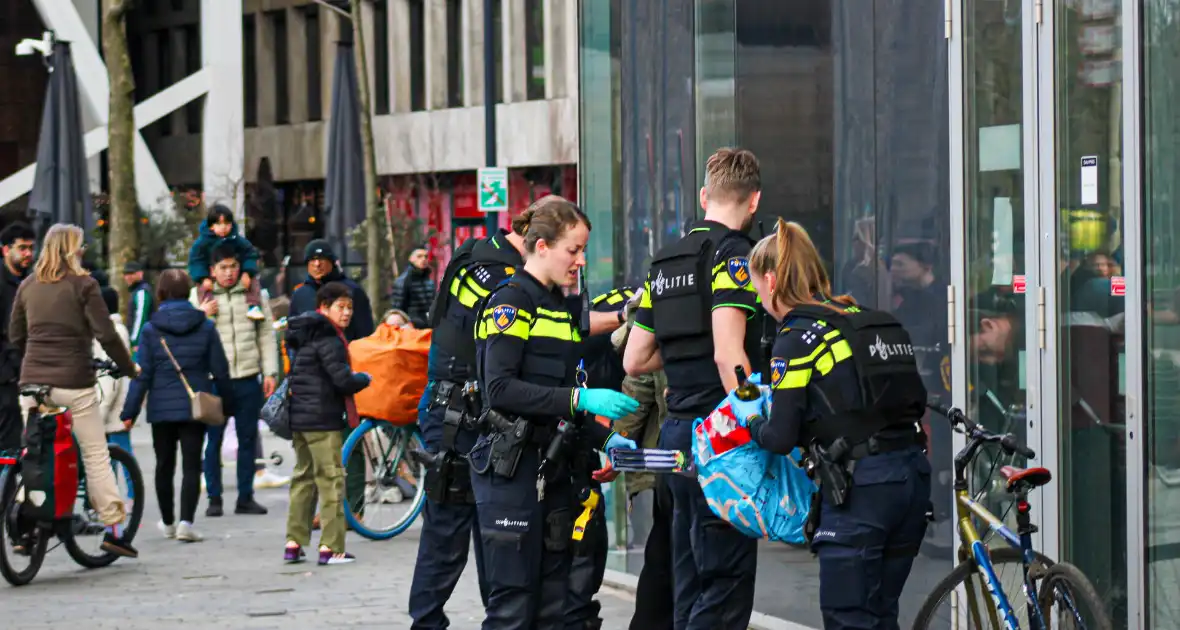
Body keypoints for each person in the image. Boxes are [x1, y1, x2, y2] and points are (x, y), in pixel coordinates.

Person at [743, 219, 931, 629]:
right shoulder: (857, 317)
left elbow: (779, 437)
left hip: (862, 490)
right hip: (911, 479)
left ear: (772, 281)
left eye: (758, 290)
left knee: (848, 617)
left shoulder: (796, 336)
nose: (760, 302)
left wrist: (751, 420)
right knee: (880, 614)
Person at [470, 195, 638, 630]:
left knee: (555, 607)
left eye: (583, 250)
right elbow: (500, 388)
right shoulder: (509, 303)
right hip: (511, 474)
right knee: (512, 609)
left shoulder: (560, 309)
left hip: (555, 470)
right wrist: (580, 401)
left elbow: (567, 393)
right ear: (541, 246)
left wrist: (605, 441)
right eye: (573, 249)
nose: (581, 260)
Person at [623, 147, 766, 629]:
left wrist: (688, 350)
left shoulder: (663, 261)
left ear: (704, 195)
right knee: (723, 583)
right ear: (753, 202)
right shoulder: (735, 256)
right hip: (719, 437)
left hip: (675, 439)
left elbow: (635, 358)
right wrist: (755, 421)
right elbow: (730, 355)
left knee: (686, 578)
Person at [408, 221, 527, 629]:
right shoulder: (497, 274)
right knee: (448, 532)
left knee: (488, 531)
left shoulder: (478, 254)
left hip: (463, 411)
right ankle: (426, 624)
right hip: (456, 415)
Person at [8, 223, 140, 557]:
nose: (83, 251)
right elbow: (106, 334)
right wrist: (127, 367)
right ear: (71, 249)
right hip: (74, 384)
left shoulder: (27, 286)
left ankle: (26, 525)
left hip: (32, 384)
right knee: (96, 454)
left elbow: (15, 335)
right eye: (80, 246)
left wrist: (34, 361)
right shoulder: (84, 285)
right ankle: (114, 529)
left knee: (34, 453)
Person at [120, 269, 236, 543]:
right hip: (195, 405)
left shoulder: (151, 328)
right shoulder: (205, 325)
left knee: (163, 465)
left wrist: (129, 412)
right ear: (188, 293)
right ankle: (186, 522)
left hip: (161, 407)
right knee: (192, 465)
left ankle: (168, 522)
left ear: (160, 294)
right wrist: (228, 405)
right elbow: (220, 369)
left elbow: (143, 374)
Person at [283, 282, 372, 565]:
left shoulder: (304, 334)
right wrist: (364, 379)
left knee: (303, 478)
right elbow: (341, 379)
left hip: (300, 418)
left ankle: (293, 542)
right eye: (340, 307)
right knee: (332, 479)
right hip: (323, 419)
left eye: (349, 308)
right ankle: (331, 547)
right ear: (324, 308)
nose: (346, 314)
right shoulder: (330, 338)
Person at [192, 245, 282, 517]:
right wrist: (201, 315)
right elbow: (189, 334)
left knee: (247, 438)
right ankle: (214, 498)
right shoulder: (200, 296)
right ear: (212, 271)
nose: (229, 273)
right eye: (223, 267)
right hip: (215, 380)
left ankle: (245, 497)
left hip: (247, 376)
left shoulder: (253, 294)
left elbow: (266, 333)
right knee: (213, 441)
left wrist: (270, 372)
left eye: (233, 266)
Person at [187, 204, 265, 322]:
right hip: (210, 275)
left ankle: (253, 306)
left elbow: (250, 254)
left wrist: (247, 272)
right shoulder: (202, 242)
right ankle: (209, 310)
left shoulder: (236, 239)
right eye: (219, 224)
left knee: (253, 282)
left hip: (236, 275)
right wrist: (203, 277)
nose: (223, 227)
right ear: (211, 226)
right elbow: (196, 260)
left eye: (227, 223)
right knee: (203, 289)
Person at [288, 239, 375, 341]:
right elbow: (292, 332)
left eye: (321, 259)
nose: (317, 264)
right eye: (312, 260)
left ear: (332, 261)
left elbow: (364, 332)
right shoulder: (300, 294)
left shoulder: (352, 290)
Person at [0, 222, 34, 454]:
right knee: (8, 443)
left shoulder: (30, 282)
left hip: (25, 371)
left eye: (31, 248)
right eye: (22, 248)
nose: (28, 254)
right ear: (5, 250)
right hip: (6, 375)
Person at [96, 287, 133, 457]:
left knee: (121, 457)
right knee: (119, 457)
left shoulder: (112, 332)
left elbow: (111, 376)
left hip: (112, 408)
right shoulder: (117, 329)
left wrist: (101, 411)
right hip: (115, 405)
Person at [390, 247, 436, 328]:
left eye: (426, 256)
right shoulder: (403, 281)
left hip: (430, 327)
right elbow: (398, 310)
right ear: (411, 259)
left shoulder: (429, 281)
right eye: (419, 256)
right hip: (411, 329)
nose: (423, 259)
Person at [124, 260, 154, 357]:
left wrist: (134, 341)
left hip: (140, 344)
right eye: (126, 274)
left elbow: (140, 318)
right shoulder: (137, 291)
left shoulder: (141, 292)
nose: (128, 277)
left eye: (131, 273)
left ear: (140, 273)